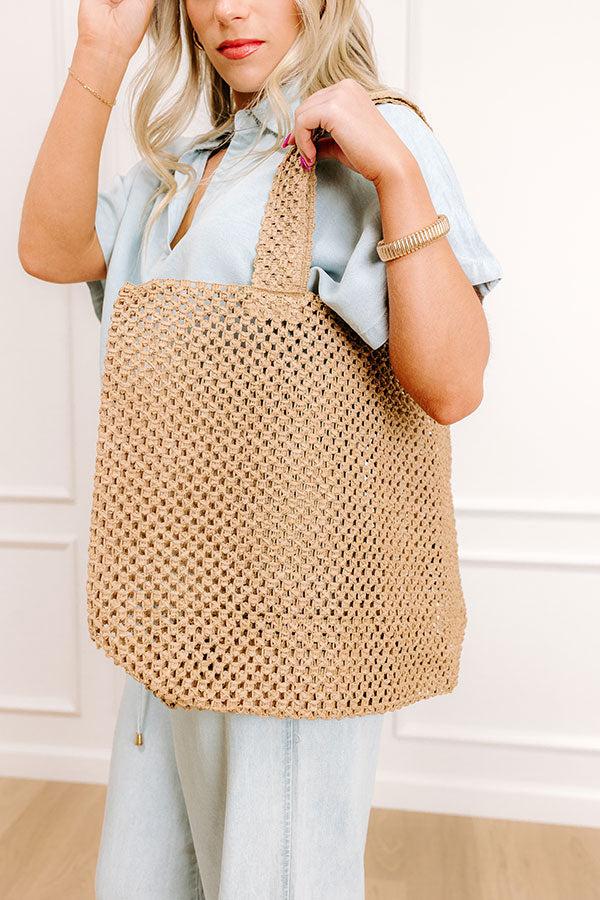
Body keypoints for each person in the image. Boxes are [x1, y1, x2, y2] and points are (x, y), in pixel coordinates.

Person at [18, 0, 503, 897]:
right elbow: (51, 249)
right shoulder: (190, 164)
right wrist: (100, 49)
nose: (227, 10)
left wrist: (397, 173)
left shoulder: (375, 137)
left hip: (293, 632)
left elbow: (453, 385)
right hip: (169, 618)